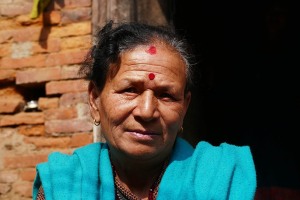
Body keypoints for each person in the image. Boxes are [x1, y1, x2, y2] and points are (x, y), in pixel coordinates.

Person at [32, 20, 257, 200]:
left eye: (166, 95)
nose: (147, 112)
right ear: (94, 100)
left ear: (184, 108)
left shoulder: (222, 179)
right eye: (130, 90)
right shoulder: (63, 185)